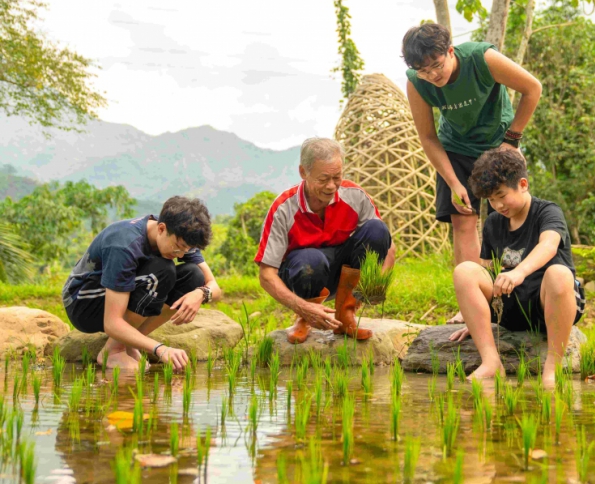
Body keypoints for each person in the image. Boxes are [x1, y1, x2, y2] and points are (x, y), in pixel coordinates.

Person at [401, 22, 543, 324]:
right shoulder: (417, 82)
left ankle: (519, 297)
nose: (433, 76)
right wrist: (453, 182)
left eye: (437, 66)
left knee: (512, 214)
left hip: (497, 145)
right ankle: (473, 304)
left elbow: (533, 89)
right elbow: (428, 137)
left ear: (450, 51)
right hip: (455, 150)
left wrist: (512, 140)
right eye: (424, 71)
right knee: (463, 220)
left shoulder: (482, 59)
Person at [448, 149, 585, 387]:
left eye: (501, 195)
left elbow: (549, 246)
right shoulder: (493, 223)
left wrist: (518, 272)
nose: (498, 205)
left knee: (559, 273)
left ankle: (551, 370)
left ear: (523, 184)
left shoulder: (547, 212)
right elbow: (487, 272)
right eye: (491, 200)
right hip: (511, 307)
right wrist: (473, 313)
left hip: (548, 304)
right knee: (464, 271)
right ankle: (491, 363)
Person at [255, 137, 396, 344]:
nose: (331, 186)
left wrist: (377, 283)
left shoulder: (355, 196)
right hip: (303, 271)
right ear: (303, 172)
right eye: (323, 179)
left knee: (377, 229)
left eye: (337, 177)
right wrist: (303, 307)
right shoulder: (284, 209)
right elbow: (266, 275)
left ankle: (345, 313)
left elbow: (387, 245)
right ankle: (305, 318)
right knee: (311, 260)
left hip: (340, 270)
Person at [62, 196, 222, 371]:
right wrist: (159, 348)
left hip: (120, 293)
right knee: (163, 270)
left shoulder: (180, 236)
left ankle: (129, 342)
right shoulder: (124, 245)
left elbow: (214, 287)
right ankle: (114, 351)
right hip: (83, 303)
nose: (182, 255)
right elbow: (111, 322)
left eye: (187, 249)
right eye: (179, 247)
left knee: (193, 276)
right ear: (161, 228)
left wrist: (201, 294)